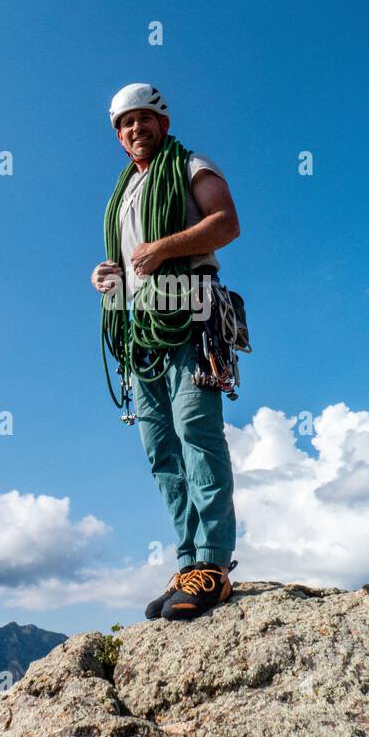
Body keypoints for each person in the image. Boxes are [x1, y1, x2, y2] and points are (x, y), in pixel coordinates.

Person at [91, 83, 241, 622]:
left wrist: (165, 247)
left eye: (144, 120)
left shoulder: (190, 164)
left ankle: (214, 563)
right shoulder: (124, 191)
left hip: (191, 320)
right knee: (159, 447)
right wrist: (107, 276)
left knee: (197, 430)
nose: (135, 129)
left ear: (163, 122)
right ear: (118, 134)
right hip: (140, 330)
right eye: (125, 124)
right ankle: (187, 562)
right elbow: (129, 260)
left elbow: (226, 224)